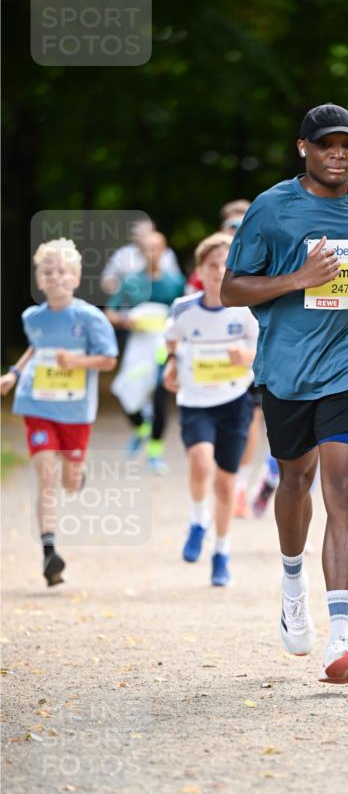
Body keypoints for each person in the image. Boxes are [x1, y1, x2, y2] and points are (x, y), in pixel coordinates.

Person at [221, 103, 348, 685]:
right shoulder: (272, 208)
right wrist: (298, 278)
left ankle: (341, 638)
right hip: (289, 372)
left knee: (341, 489)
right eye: (327, 144)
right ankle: (292, 580)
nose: (338, 154)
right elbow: (230, 289)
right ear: (304, 148)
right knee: (295, 480)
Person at [0, 238, 117, 585]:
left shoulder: (90, 318)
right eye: (47, 272)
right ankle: (50, 552)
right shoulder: (32, 317)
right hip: (37, 404)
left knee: (68, 480)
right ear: (39, 280)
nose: (54, 277)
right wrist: (14, 374)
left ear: (76, 278)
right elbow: (36, 348)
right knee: (46, 474)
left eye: (62, 271)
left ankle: (77, 473)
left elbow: (109, 359)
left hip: (76, 412)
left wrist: (78, 361)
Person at [163, 232, 258, 586]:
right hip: (195, 401)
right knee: (201, 461)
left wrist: (245, 356)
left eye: (226, 265)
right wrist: (171, 365)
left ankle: (221, 551)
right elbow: (171, 340)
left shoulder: (246, 310)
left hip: (235, 401)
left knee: (226, 483)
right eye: (213, 265)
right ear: (200, 270)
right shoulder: (183, 308)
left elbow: (260, 348)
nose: (219, 272)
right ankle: (198, 520)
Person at [106, 231, 185, 473]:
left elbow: (184, 311)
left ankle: (155, 452)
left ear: (164, 250)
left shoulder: (174, 282)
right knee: (124, 391)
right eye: (147, 248)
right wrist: (124, 320)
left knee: (161, 395)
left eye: (156, 248)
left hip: (163, 345)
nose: (152, 253)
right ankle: (141, 428)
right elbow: (110, 311)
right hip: (138, 346)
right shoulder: (130, 281)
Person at [100, 218, 181, 296]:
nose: (142, 237)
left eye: (146, 233)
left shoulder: (166, 254)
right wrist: (115, 287)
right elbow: (107, 278)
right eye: (138, 234)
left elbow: (176, 279)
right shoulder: (122, 254)